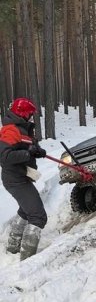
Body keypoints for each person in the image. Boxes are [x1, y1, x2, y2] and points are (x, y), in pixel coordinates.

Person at [0, 98, 47, 260]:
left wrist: (38, 150)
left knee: (26, 211)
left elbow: (27, 145)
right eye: (30, 114)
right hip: (15, 179)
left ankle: (12, 248)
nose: (32, 117)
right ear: (22, 113)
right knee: (38, 216)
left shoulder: (23, 129)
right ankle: (27, 260)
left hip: (22, 176)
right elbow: (5, 156)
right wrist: (29, 153)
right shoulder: (11, 129)